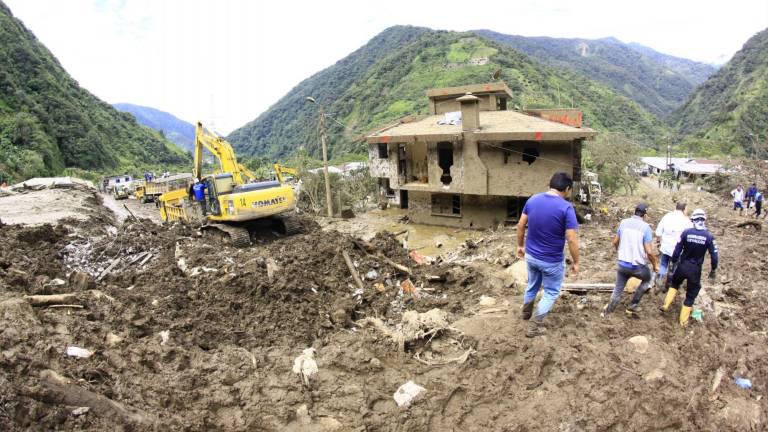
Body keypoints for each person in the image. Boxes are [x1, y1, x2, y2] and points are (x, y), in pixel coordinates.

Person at [517, 172, 580, 338]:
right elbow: (572, 240)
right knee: (551, 291)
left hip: (531, 256)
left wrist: (520, 245)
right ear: (567, 189)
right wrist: (576, 262)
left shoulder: (532, 200)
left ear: (549, 184)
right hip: (551, 261)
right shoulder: (566, 208)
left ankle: (525, 313)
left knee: (532, 285)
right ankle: (534, 327)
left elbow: (520, 225)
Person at [660, 209, 719, 326]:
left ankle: (665, 305)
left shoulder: (686, 233)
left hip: (682, 266)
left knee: (675, 284)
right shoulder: (709, 236)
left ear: (693, 220)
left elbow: (677, 250)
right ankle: (683, 322)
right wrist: (713, 270)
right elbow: (715, 256)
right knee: (691, 294)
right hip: (695, 269)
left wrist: (673, 262)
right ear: (704, 220)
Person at [601, 203, 659, 317]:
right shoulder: (646, 228)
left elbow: (615, 242)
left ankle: (607, 313)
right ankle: (632, 306)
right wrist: (655, 264)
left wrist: (620, 252)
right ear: (645, 215)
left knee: (618, 289)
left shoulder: (624, 223)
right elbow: (649, 251)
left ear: (635, 212)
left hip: (622, 264)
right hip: (637, 266)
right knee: (648, 279)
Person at [655, 202, 692, 291]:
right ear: (684, 209)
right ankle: (668, 285)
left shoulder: (667, 216)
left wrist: (659, 241)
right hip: (678, 250)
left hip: (665, 247)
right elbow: (689, 235)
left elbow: (658, 232)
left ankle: (659, 280)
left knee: (663, 264)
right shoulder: (686, 221)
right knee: (673, 267)